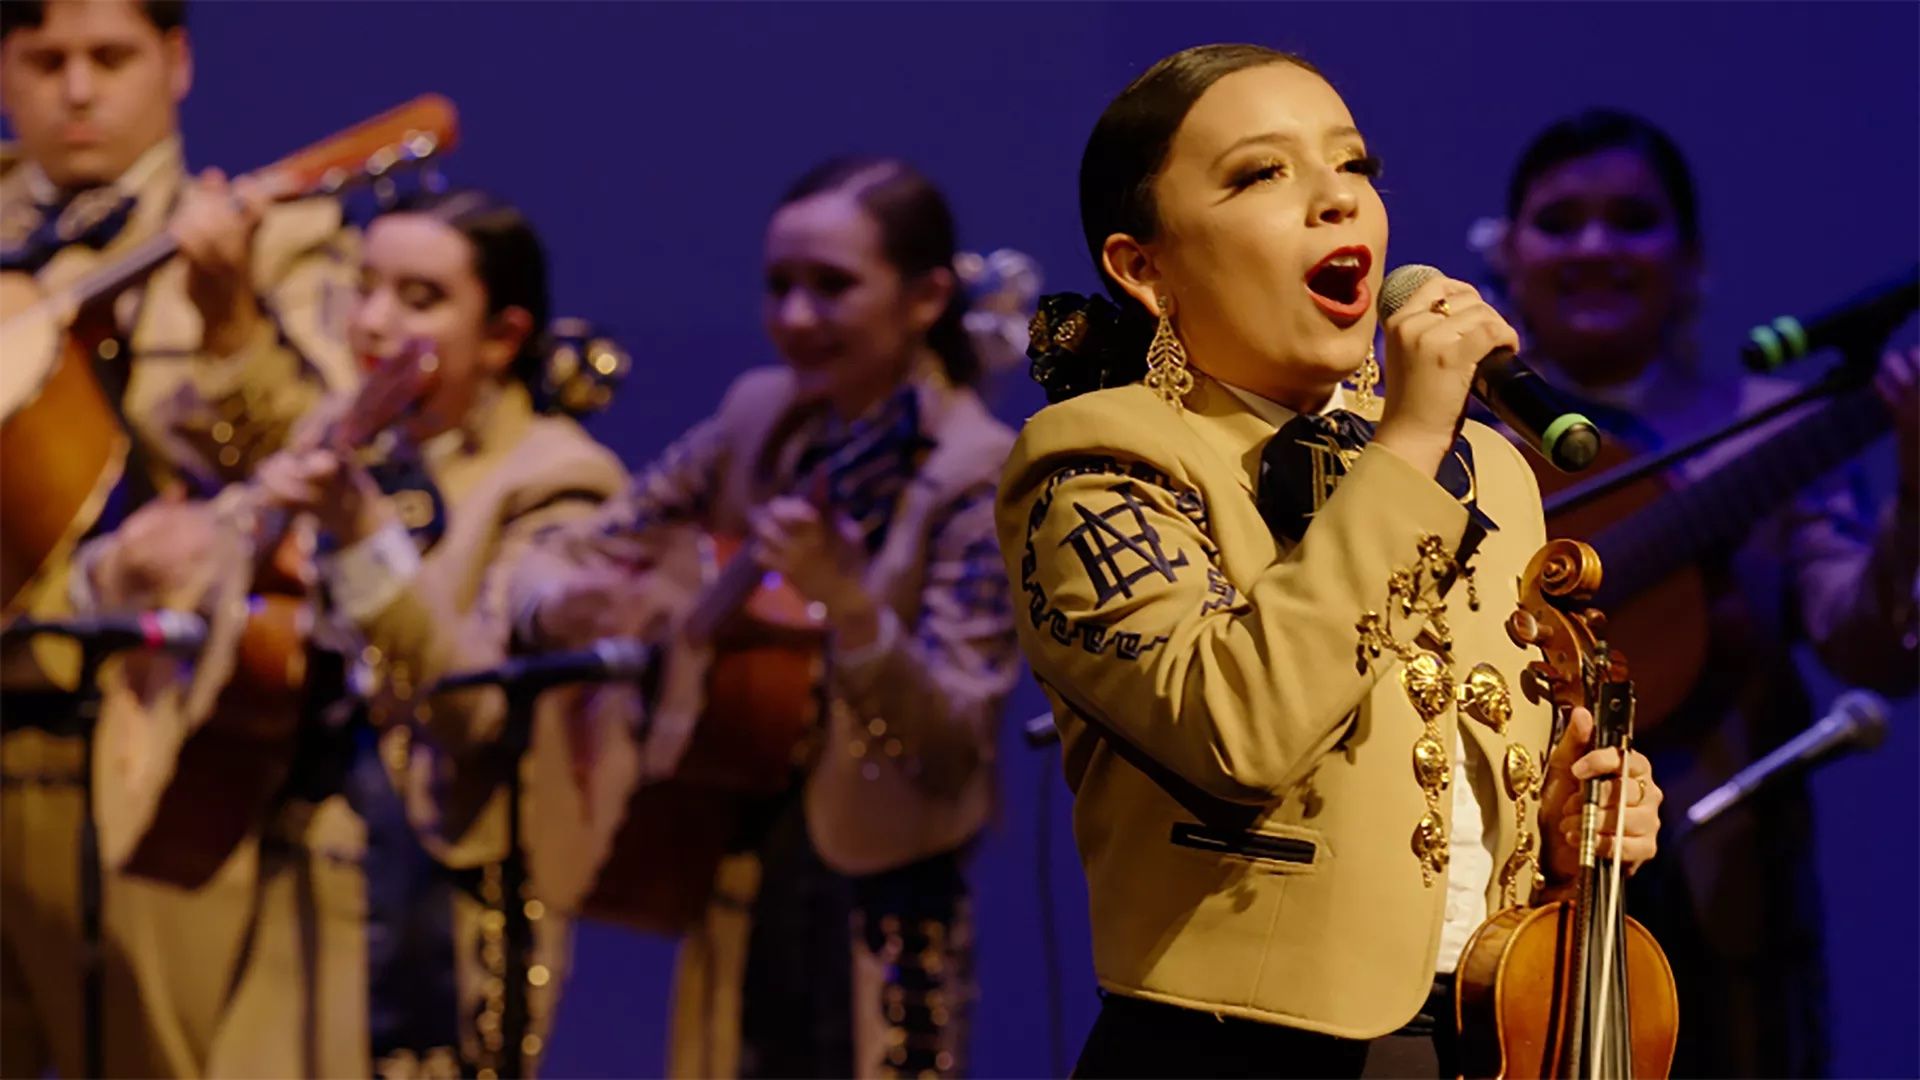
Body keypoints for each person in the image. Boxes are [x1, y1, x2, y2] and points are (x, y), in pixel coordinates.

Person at [995, 45, 1665, 1077]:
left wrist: (1570, 822)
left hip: (1484, 1033)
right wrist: (1407, 444)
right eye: (1263, 174)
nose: (1333, 201)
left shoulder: (1486, 464)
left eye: (1353, 165)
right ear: (1144, 267)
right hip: (1238, 1050)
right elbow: (1238, 731)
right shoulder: (1094, 465)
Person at [75, 189, 628, 1076]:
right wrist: (155, 561)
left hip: (438, 922)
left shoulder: (557, 481)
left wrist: (363, 537)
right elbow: (215, 573)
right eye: (364, 287)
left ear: (502, 335)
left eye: (419, 299)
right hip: (288, 872)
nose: (372, 321)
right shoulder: (347, 431)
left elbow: (473, 712)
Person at [519, 157, 1020, 1078]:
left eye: (831, 288)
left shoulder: (975, 472)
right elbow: (581, 548)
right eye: (778, 287)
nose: (794, 318)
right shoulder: (762, 417)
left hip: (879, 906)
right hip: (731, 867)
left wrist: (853, 606)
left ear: (925, 298)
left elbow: (953, 739)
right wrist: (581, 605)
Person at [1482, 108, 1918, 1076]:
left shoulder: (1770, 427)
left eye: (1633, 219)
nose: (1596, 246)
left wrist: (1916, 500)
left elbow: (1867, 644)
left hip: (1722, 895)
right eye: (1560, 222)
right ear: (1506, 254)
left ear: (1689, 261)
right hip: (1505, 897)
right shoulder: (1461, 444)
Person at [0, 1, 353, 1074]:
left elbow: (327, 462)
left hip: (144, 746)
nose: (77, 89)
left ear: (178, 61)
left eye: (110, 57)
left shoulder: (277, 234)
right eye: (43, 58)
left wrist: (232, 316)